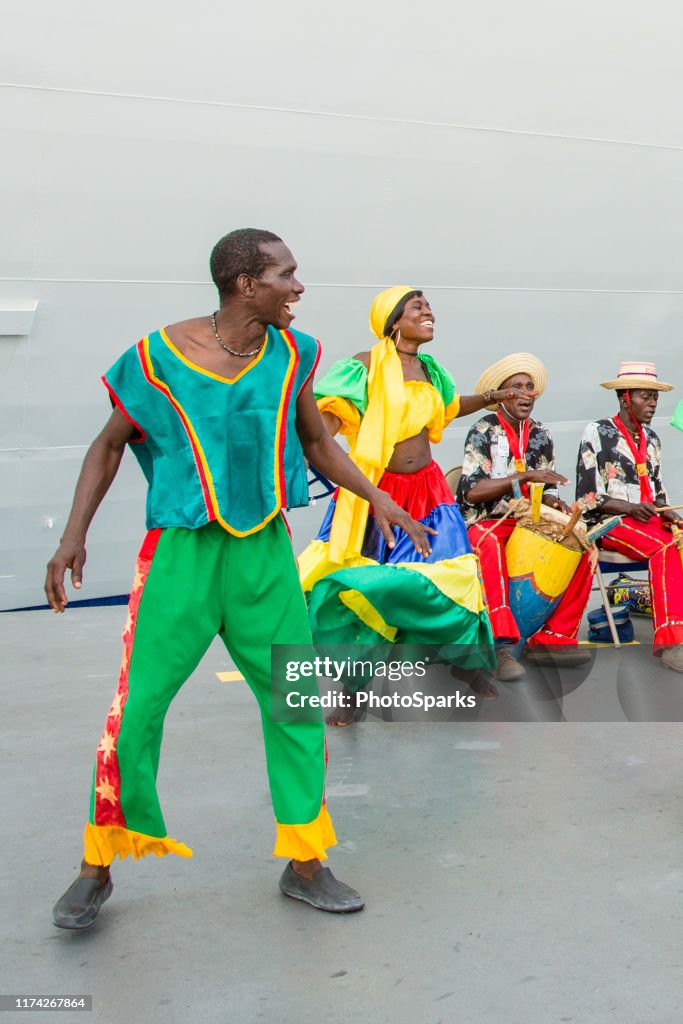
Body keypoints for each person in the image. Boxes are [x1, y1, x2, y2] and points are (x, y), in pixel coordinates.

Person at [46, 230, 435, 928]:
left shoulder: (293, 354)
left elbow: (317, 442)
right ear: (243, 284)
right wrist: (72, 537)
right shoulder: (156, 359)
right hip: (182, 558)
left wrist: (374, 495)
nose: (299, 286)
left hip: (263, 555)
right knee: (137, 711)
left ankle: (305, 861)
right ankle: (96, 864)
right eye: (286, 274)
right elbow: (108, 445)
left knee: (293, 704)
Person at [299, 285, 516, 724]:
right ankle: (352, 690)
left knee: (455, 579)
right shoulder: (363, 367)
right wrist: (315, 437)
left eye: (429, 306)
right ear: (393, 320)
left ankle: (466, 662)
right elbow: (326, 425)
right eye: (417, 307)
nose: (429, 311)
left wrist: (493, 398)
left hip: (430, 493)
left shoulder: (431, 370)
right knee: (371, 590)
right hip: (377, 494)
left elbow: (447, 409)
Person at [457, 353, 593, 681]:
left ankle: (554, 638)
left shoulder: (541, 434)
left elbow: (546, 490)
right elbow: (472, 492)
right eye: (516, 387)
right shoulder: (483, 429)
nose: (525, 393)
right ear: (502, 395)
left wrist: (554, 503)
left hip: (529, 522)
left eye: (529, 387)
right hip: (489, 521)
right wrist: (523, 478)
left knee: (583, 546)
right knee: (488, 543)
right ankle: (502, 645)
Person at [576, 360, 683, 672]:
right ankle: (671, 643)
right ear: (624, 397)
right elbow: (587, 497)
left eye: (654, 397)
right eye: (644, 396)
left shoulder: (652, 439)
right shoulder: (597, 432)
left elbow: (658, 494)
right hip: (610, 522)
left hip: (646, 521)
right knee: (665, 549)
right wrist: (631, 508)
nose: (652, 403)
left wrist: (669, 516)